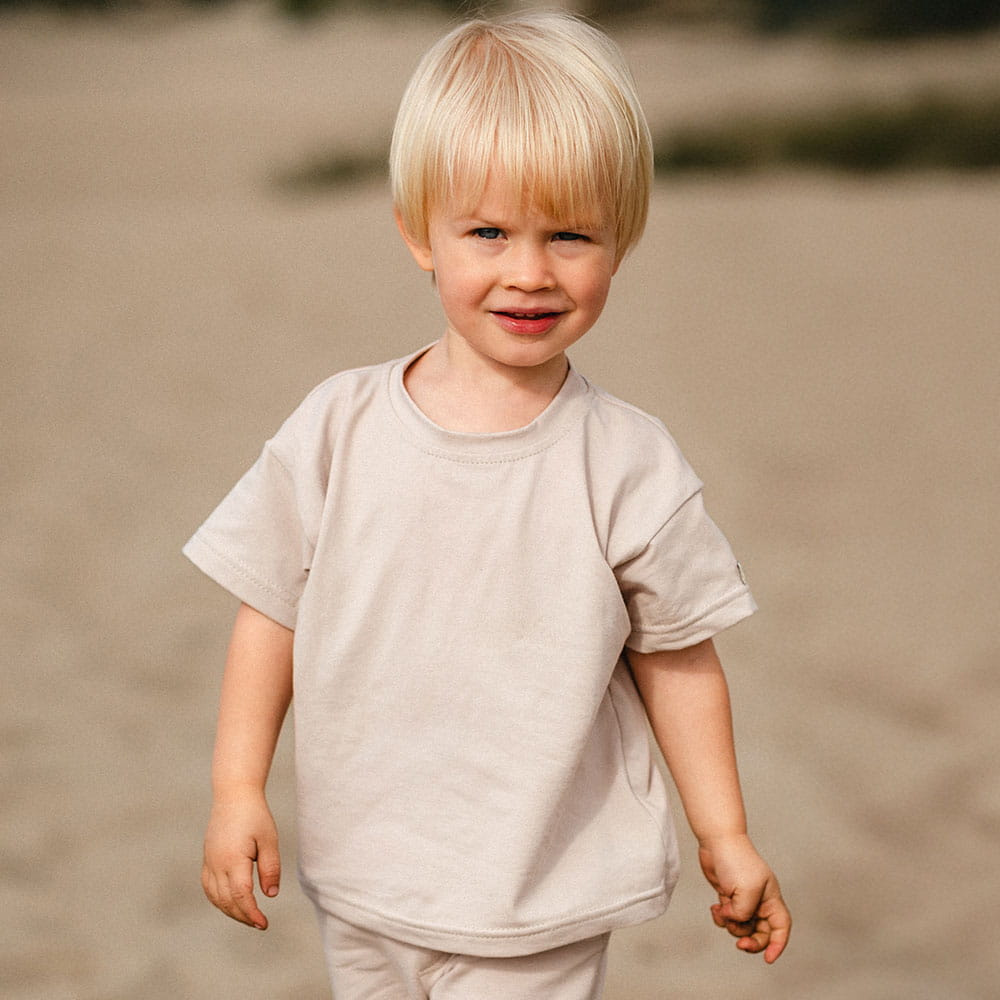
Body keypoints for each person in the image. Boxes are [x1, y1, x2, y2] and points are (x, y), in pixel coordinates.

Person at [184, 10, 791, 998]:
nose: (529, 272)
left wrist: (724, 830)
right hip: (365, 881)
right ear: (418, 233)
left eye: (570, 235)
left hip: (537, 895)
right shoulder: (336, 426)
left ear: (621, 240)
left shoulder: (628, 462)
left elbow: (679, 655)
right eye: (488, 232)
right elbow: (270, 611)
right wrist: (234, 788)